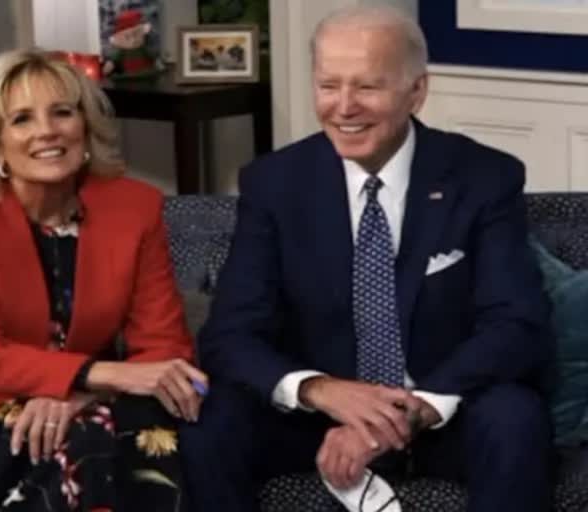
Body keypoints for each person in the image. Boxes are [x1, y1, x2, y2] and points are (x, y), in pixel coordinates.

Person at [180, 6, 551, 512]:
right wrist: (320, 390)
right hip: (315, 418)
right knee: (214, 420)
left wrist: (411, 410)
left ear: (416, 91)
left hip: (442, 413)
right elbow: (229, 336)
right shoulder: (274, 184)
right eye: (329, 86)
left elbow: (517, 325)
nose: (344, 107)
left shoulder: (484, 178)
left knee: (515, 418)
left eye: (367, 87)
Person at [0, 48, 207, 512]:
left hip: (93, 400)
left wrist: (80, 393)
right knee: (75, 441)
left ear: (85, 127)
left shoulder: (135, 208)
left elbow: (165, 345)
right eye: (22, 119)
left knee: (131, 433)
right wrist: (95, 374)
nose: (47, 131)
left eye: (62, 113)